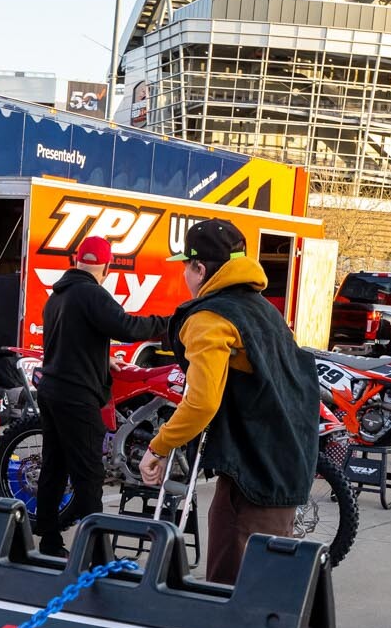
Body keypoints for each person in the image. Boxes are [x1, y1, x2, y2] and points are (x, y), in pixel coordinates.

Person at [139, 218, 319, 584]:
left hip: (253, 470)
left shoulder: (209, 317)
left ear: (199, 268)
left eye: (186, 269)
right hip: (285, 462)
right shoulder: (262, 309)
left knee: (235, 588)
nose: (185, 278)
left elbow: (202, 403)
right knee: (265, 581)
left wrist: (157, 448)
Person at [32, 235, 169, 557]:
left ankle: (50, 541)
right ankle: (96, 555)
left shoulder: (59, 296)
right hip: (76, 395)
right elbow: (127, 328)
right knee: (88, 474)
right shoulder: (92, 294)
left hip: (52, 390)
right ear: (106, 267)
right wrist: (170, 324)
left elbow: (69, 340)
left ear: (75, 261)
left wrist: (103, 358)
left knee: (54, 468)